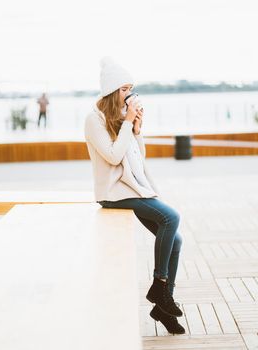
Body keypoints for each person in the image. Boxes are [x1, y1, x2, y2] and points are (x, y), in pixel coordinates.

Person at [84, 57, 185, 335]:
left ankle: (162, 305)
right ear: (112, 90)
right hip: (113, 193)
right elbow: (114, 156)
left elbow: (138, 159)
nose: (128, 95)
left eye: (130, 89)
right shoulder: (94, 120)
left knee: (175, 239)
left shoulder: (119, 118)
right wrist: (128, 123)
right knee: (171, 217)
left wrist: (136, 129)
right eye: (124, 89)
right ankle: (159, 285)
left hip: (131, 188)